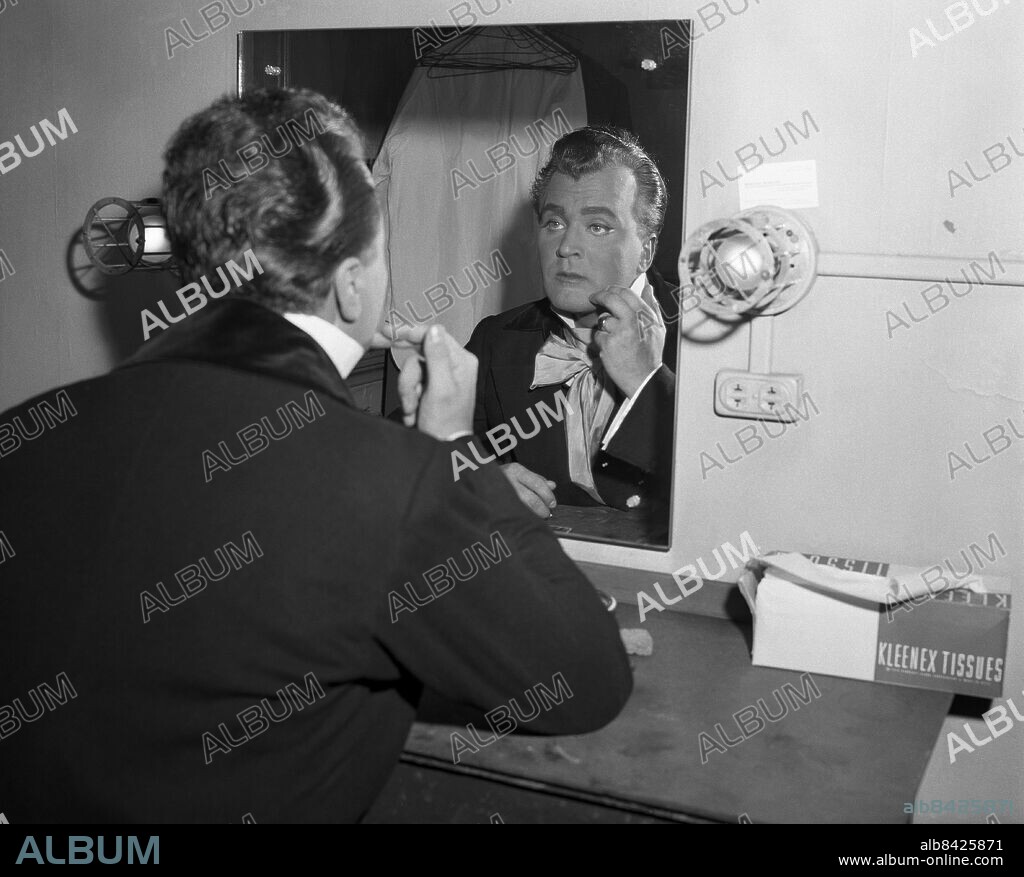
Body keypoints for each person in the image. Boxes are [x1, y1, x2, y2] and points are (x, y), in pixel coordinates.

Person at [0, 89, 632, 823]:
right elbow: (586, 680)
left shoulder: (27, 433)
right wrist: (454, 454)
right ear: (354, 281)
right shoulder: (395, 485)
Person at [465, 126, 677, 521]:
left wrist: (647, 383)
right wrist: (477, 481)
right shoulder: (495, 341)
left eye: (598, 226)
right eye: (554, 224)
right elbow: (416, 450)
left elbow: (746, 486)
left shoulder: (710, 338)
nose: (565, 248)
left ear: (646, 251)